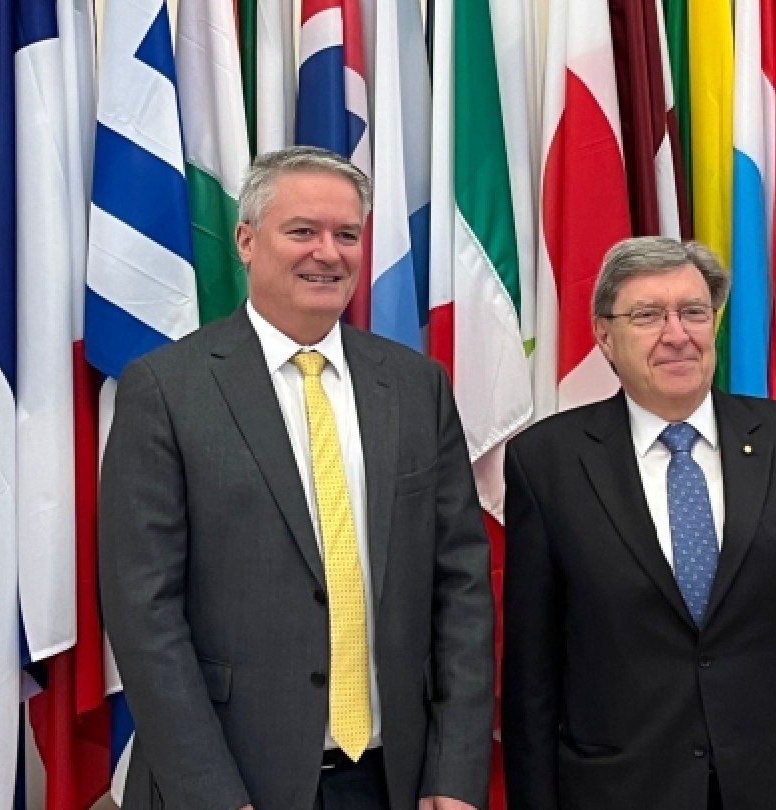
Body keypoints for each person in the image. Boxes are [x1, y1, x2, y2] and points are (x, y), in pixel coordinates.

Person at [100, 146, 495, 810]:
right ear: (247, 241)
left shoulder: (414, 384)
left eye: (347, 235)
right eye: (303, 231)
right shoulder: (167, 389)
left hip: (393, 779)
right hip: (236, 780)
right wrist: (212, 795)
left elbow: (460, 588)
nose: (329, 253)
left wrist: (454, 775)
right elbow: (145, 615)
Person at [501, 236, 776, 810]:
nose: (676, 334)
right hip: (617, 792)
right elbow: (532, 679)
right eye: (648, 315)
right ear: (605, 335)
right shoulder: (547, 462)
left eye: (693, 312)